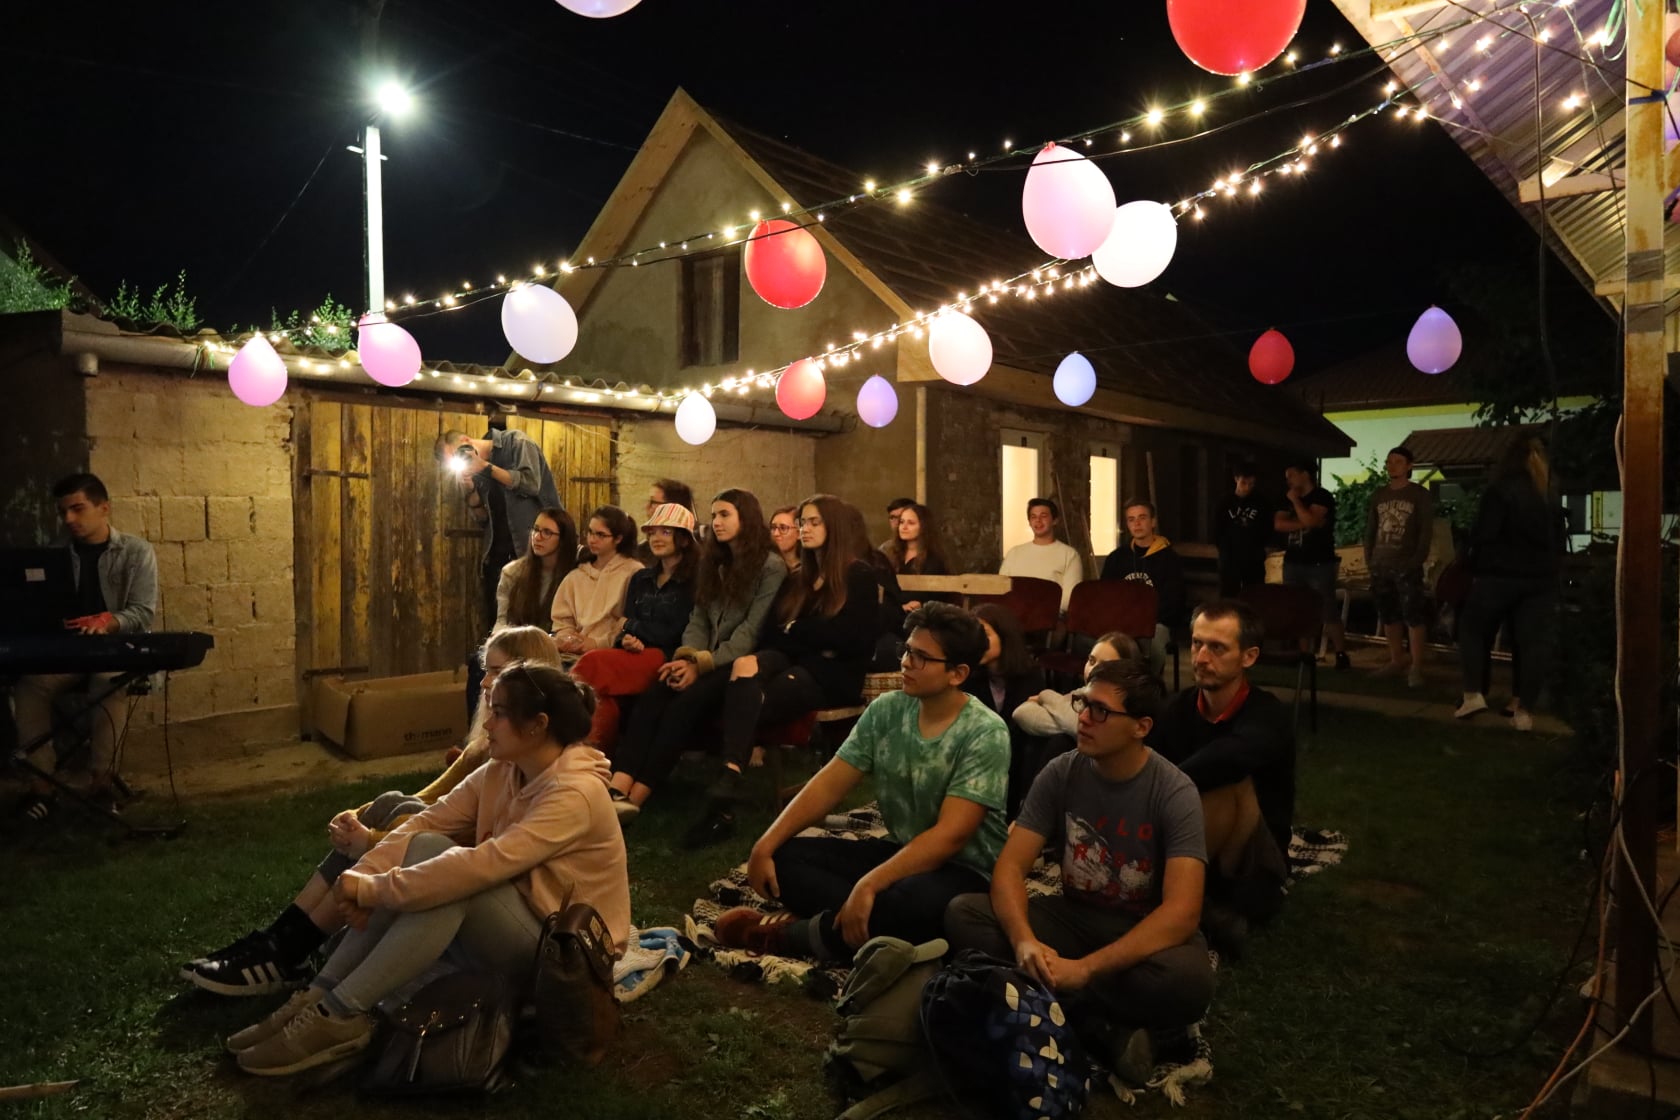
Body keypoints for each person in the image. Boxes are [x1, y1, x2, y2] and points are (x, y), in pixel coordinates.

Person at [226, 661, 629, 1077]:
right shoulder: (504, 770)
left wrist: (373, 890)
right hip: (516, 923)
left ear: (537, 725)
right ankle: (318, 998)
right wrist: (362, 877)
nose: (487, 723)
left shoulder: (574, 794)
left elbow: (484, 865)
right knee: (429, 848)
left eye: (499, 713)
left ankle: (340, 1013)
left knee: (456, 881)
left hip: (562, 961)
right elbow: (426, 822)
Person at [180, 627, 562, 996]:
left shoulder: (545, 773)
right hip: (467, 869)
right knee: (394, 803)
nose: (484, 682)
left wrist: (372, 842)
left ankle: (292, 953)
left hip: (501, 904)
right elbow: (434, 799)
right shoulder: (489, 750)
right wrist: (359, 814)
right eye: (486, 671)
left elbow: (473, 844)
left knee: (407, 824)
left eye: (496, 672)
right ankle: (280, 941)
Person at [944, 659, 1214, 1080]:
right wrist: (1023, 941)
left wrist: (1085, 969)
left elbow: (1182, 912)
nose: (1084, 718)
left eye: (1101, 710)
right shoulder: (1061, 771)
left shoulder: (1174, 791)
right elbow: (1010, 867)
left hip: (1141, 932)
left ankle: (1048, 1002)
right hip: (1073, 919)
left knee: (1190, 980)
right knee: (964, 914)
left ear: (1141, 727)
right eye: (1083, 703)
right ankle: (1100, 1027)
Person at [711, 602, 1009, 961]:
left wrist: (870, 883)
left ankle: (790, 934)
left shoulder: (985, 732)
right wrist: (765, 843)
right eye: (906, 650)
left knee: (914, 906)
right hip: (900, 852)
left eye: (921, 657)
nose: (905, 662)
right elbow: (828, 784)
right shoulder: (886, 710)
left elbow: (951, 836)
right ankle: (863, 926)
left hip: (964, 872)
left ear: (957, 674)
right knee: (786, 858)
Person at [685, 495, 880, 847]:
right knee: (745, 665)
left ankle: (725, 792)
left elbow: (853, 639)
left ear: (834, 527)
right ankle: (728, 783)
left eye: (814, 522)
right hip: (798, 663)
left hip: (834, 676)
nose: (805, 529)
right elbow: (774, 634)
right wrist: (810, 637)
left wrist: (799, 630)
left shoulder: (858, 574)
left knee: (741, 698)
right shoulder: (800, 578)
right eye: (802, 522)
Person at [607, 489, 785, 817]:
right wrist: (686, 658)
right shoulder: (713, 562)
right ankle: (618, 783)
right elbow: (698, 618)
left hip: (737, 663)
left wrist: (700, 664)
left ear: (746, 517)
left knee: (682, 706)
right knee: (655, 693)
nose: (716, 522)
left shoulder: (771, 566)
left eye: (725, 514)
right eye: (714, 515)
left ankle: (637, 796)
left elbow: (750, 631)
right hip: (702, 655)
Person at [1147, 599, 1294, 957]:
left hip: (1253, 862)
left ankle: (1179, 902)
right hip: (1185, 842)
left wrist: (1165, 789)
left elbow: (1230, 759)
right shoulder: (1179, 708)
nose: (1200, 658)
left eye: (1217, 648)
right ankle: (1187, 903)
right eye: (1197, 643)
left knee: (1227, 780)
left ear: (1249, 657)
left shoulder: (1267, 714)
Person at [13, 473, 158, 820]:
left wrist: (108, 621)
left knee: (110, 683)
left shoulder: (136, 552)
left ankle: (102, 783)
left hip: (115, 651)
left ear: (103, 508)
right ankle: (42, 787)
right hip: (69, 653)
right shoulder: (54, 555)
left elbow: (143, 611)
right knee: (30, 687)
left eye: (77, 509)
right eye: (63, 512)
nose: (69, 519)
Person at [570, 503, 700, 752]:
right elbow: (625, 626)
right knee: (604, 701)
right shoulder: (641, 578)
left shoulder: (694, 581)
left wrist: (631, 627)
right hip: (633, 653)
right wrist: (627, 638)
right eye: (652, 532)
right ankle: (592, 757)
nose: (656, 538)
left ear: (684, 539)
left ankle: (559, 742)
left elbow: (676, 631)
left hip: (667, 656)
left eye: (665, 532)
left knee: (593, 663)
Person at [1455, 436, 1562, 731]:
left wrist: (1471, 555)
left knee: (1472, 629)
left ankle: (1473, 693)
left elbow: (1486, 533)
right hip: (1540, 578)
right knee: (1531, 643)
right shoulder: (1548, 493)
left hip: (1500, 575)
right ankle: (1524, 711)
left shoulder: (1500, 491)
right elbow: (1556, 539)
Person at [435, 427, 562, 634]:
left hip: (534, 552)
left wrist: (484, 467)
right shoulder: (474, 471)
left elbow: (531, 484)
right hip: (498, 555)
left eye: (458, 454)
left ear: (466, 440)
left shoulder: (517, 443)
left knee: (535, 623)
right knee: (499, 623)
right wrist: (470, 490)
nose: (462, 460)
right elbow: (483, 519)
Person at [966, 603, 1049, 817]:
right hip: (979, 763)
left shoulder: (1030, 675)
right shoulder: (969, 676)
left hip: (1016, 766)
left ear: (1005, 636)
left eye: (984, 635)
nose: (976, 642)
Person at [1364, 447, 1435, 688]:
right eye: (1389, 461)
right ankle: (1396, 660)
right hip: (1380, 564)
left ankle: (1416, 666)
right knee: (1388, 614)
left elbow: (1425, 531)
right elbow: (1371, 528)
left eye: (1398, 461)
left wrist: (1415, 560)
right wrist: (1369, 559)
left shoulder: (1419, 495)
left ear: (1409, 465)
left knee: (1413, 614)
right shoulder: (1379, 495)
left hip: (1406, 564)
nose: (1392, 465)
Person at [1274, 460, 1348, 670]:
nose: (1288, 480)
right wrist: (1304, 522)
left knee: (1327, 608)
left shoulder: (1321, 496)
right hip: (1293, 561)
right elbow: (1279, 523)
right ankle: (1306, 654)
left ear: (1304, 474)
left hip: (1319, 562)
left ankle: (1341, 653)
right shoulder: (1286, 497)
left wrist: (1297, 503)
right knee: (1299, 608)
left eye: (1291, 475)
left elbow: (1312, 520)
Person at [1099, 500, 1184, 675]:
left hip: (1156, 623)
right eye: (1131, 519)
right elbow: (1105, 595)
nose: (1137, 523)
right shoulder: (1116, 558)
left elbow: (1173, 601)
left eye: (1142, 518)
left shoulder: (1170, 559)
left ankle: (1147, 685)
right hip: (1120, 621)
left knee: (1155, 641)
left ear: (1153, 522)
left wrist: (1142, 621)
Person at [550, 505, 643, 657]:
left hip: (612, 653)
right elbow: (562, 620)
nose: (592, 539)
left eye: (600, 535)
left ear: (618, 539)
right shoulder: (577, 575)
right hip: (572, 653)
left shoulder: (633, 572)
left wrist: (598, 643)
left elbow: (630, 622)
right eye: (590, 532)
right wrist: (567, 638)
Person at [1013, 631, 1140, 739]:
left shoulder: (1123, 706)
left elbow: (1080, 726)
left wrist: (1044, 695)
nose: (1092, 670)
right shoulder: (1083, 692)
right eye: (1091, 661)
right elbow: (1020, 713)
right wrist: (1067, 722)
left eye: (1104, 665)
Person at [998, 497, 1084, 614]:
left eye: (1043, 516)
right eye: (1033, 517)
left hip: (1050, 617)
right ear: (1029, 522)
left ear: (1055, 520)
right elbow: (1000, 588)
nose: (1038, 521)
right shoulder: (1014, 553)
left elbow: (1069, 597)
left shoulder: (1069, 555)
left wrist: (1040, 610)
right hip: (1014, 615)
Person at [1216, 462, 1269, 597]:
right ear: (1236, 479)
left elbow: (1266, 527)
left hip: (1253, 559)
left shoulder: (1261, 502)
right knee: (1228, 596)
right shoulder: (1225, 502)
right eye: (1243, 483)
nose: (1247, 487)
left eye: (1251, 484)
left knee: (1255, 596)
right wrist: (1224, 549)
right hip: (1230, 558)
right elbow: (1217, 529)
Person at [638, 479, 695, 565]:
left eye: (666, 532)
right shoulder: (641, 553)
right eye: (652, 533)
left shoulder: (700, 556)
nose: (647, 507)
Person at [769, 505, 802, 574]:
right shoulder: (767, 564)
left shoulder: (808, 568)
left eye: (783, 528)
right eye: (773, 527)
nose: (776, 533)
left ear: (799, 533)